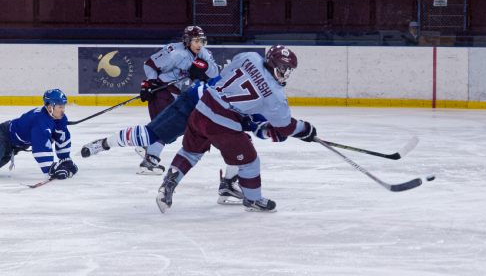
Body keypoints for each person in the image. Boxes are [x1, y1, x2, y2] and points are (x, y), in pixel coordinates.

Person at [80, 71, 287, 205]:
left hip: (215, 112)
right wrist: (272, 130)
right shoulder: (263, 90)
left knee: (240, 145)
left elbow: (250, 121)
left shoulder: (261, 86)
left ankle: (227, 186)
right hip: (197, 102)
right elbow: (253, 120)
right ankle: (104, 143)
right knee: (150, 134)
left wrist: (267, 129)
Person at [156, 45, 317, 213]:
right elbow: (286, 127)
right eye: (284, 68)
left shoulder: (251, 57)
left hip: (202, 108)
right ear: (272, 63)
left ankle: (168, 185)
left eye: (289, 69)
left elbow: (225, 76)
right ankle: (254, 200)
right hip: (222, 122)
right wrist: (306, 129)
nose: (286, 73)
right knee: (249, 161)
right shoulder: (276, 96)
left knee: (190, 152)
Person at [138, 26, 216, 175]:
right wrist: (152, 81)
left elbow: (214, 74)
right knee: (166, 128)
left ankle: (146, 145)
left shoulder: (204, 53)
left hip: (174, 92)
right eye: (196, 41)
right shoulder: (173, 52)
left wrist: (204, 67)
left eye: (202, 41)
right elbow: (149, 64)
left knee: (169, 130)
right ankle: (149, 160)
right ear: (187, 41)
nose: (200, 45)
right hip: (161, 90)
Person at [0, 89, 77, 180]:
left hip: (12, 147)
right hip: (3, 136)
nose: (63, 110)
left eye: (64, 106)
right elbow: (40, 146)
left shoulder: (61, 119)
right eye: (60, 107)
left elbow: (62, 138)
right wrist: (50, 169)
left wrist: (65, 159)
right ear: (49, 107)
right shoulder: (40, 121)